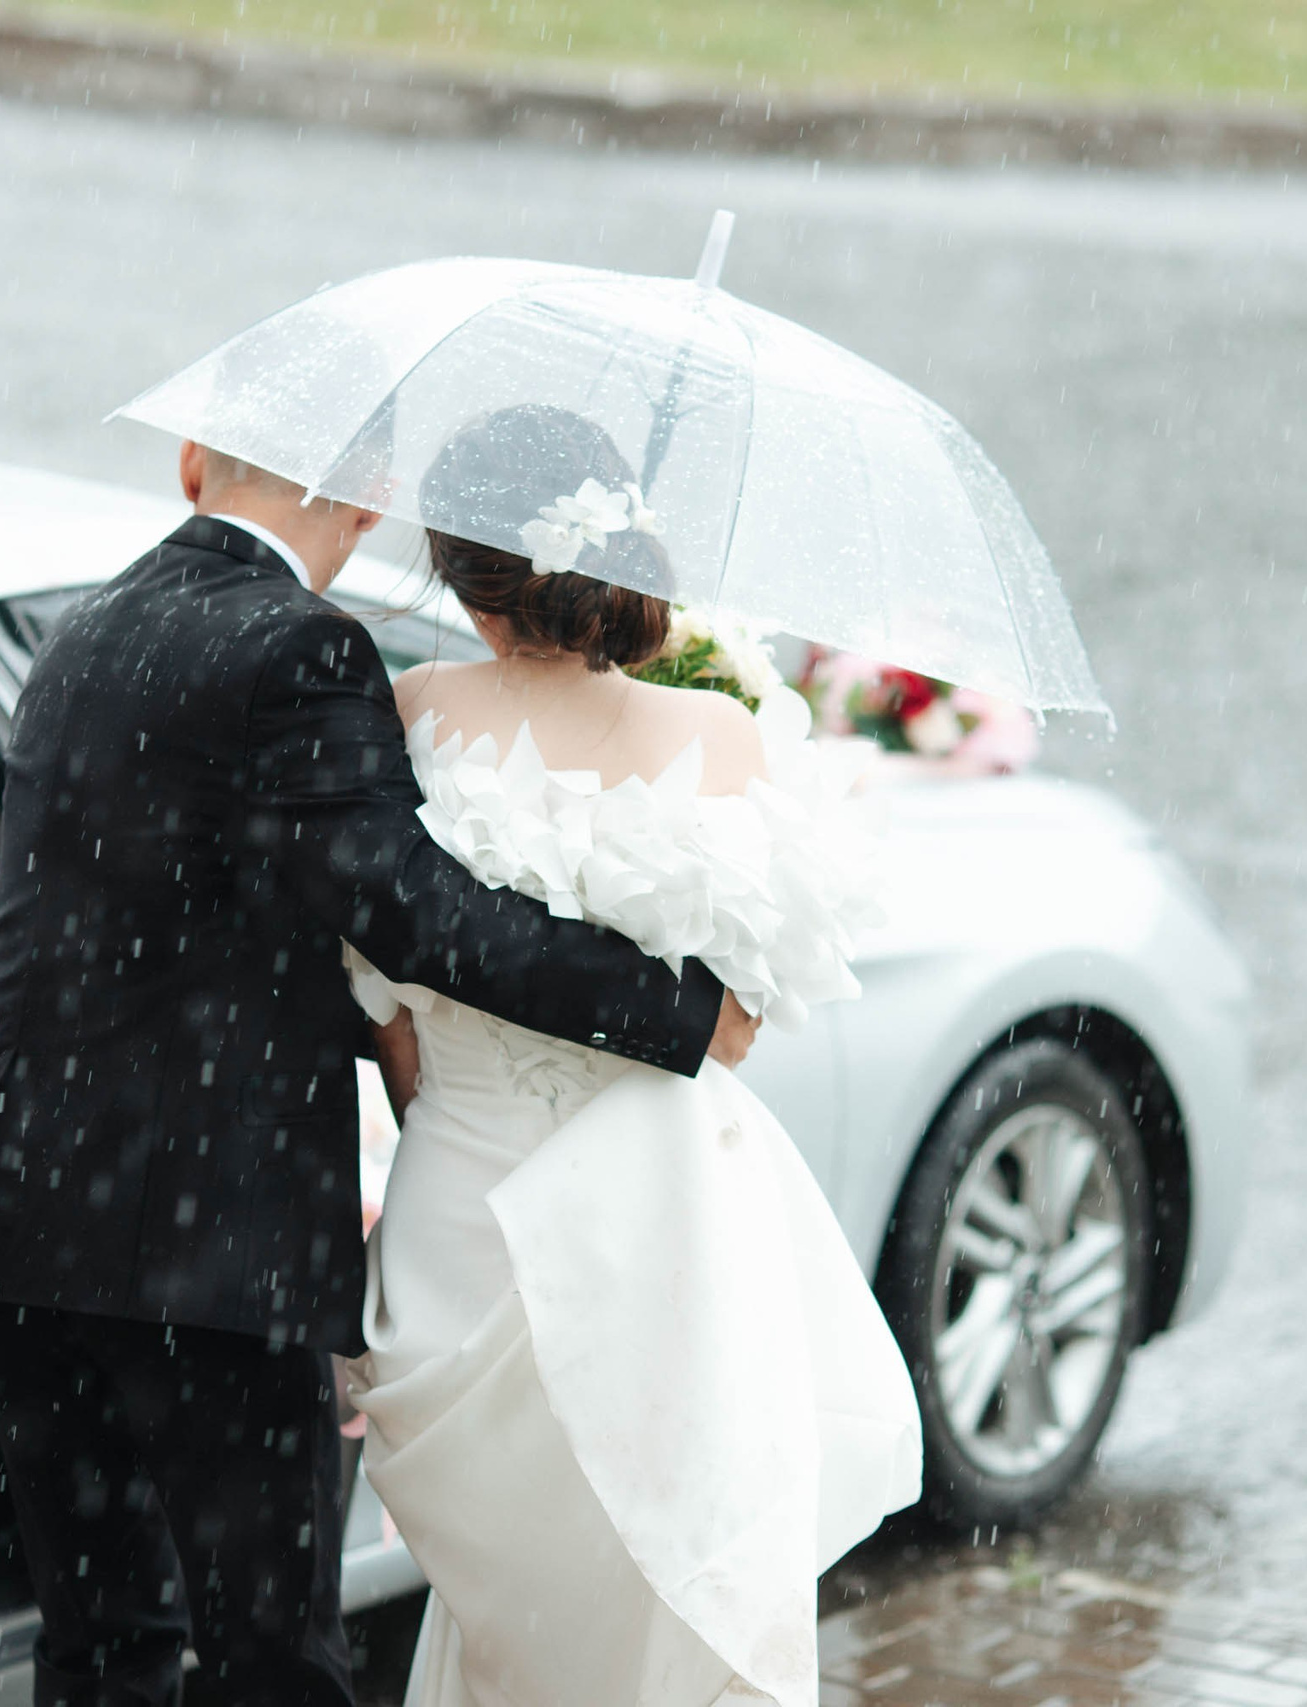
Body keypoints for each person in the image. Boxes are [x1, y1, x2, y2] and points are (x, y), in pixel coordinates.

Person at [0, 437, 763, 1707]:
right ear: (367, 502)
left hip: (11, 1207)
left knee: (100, 1642)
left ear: (192, 463)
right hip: (197, 1241)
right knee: (273, 1659)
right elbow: (408, 913)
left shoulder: (84, 631)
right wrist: (683, 1012)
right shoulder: (300, 646)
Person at [347, 406, 922, 1706]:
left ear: (457, 567)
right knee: (663, 1578)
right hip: (664, 1230)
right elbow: (741, 1025)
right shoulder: (719, 740)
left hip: (457, 1220)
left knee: (513, 1616)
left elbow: (385, 1003)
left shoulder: (407, 715)